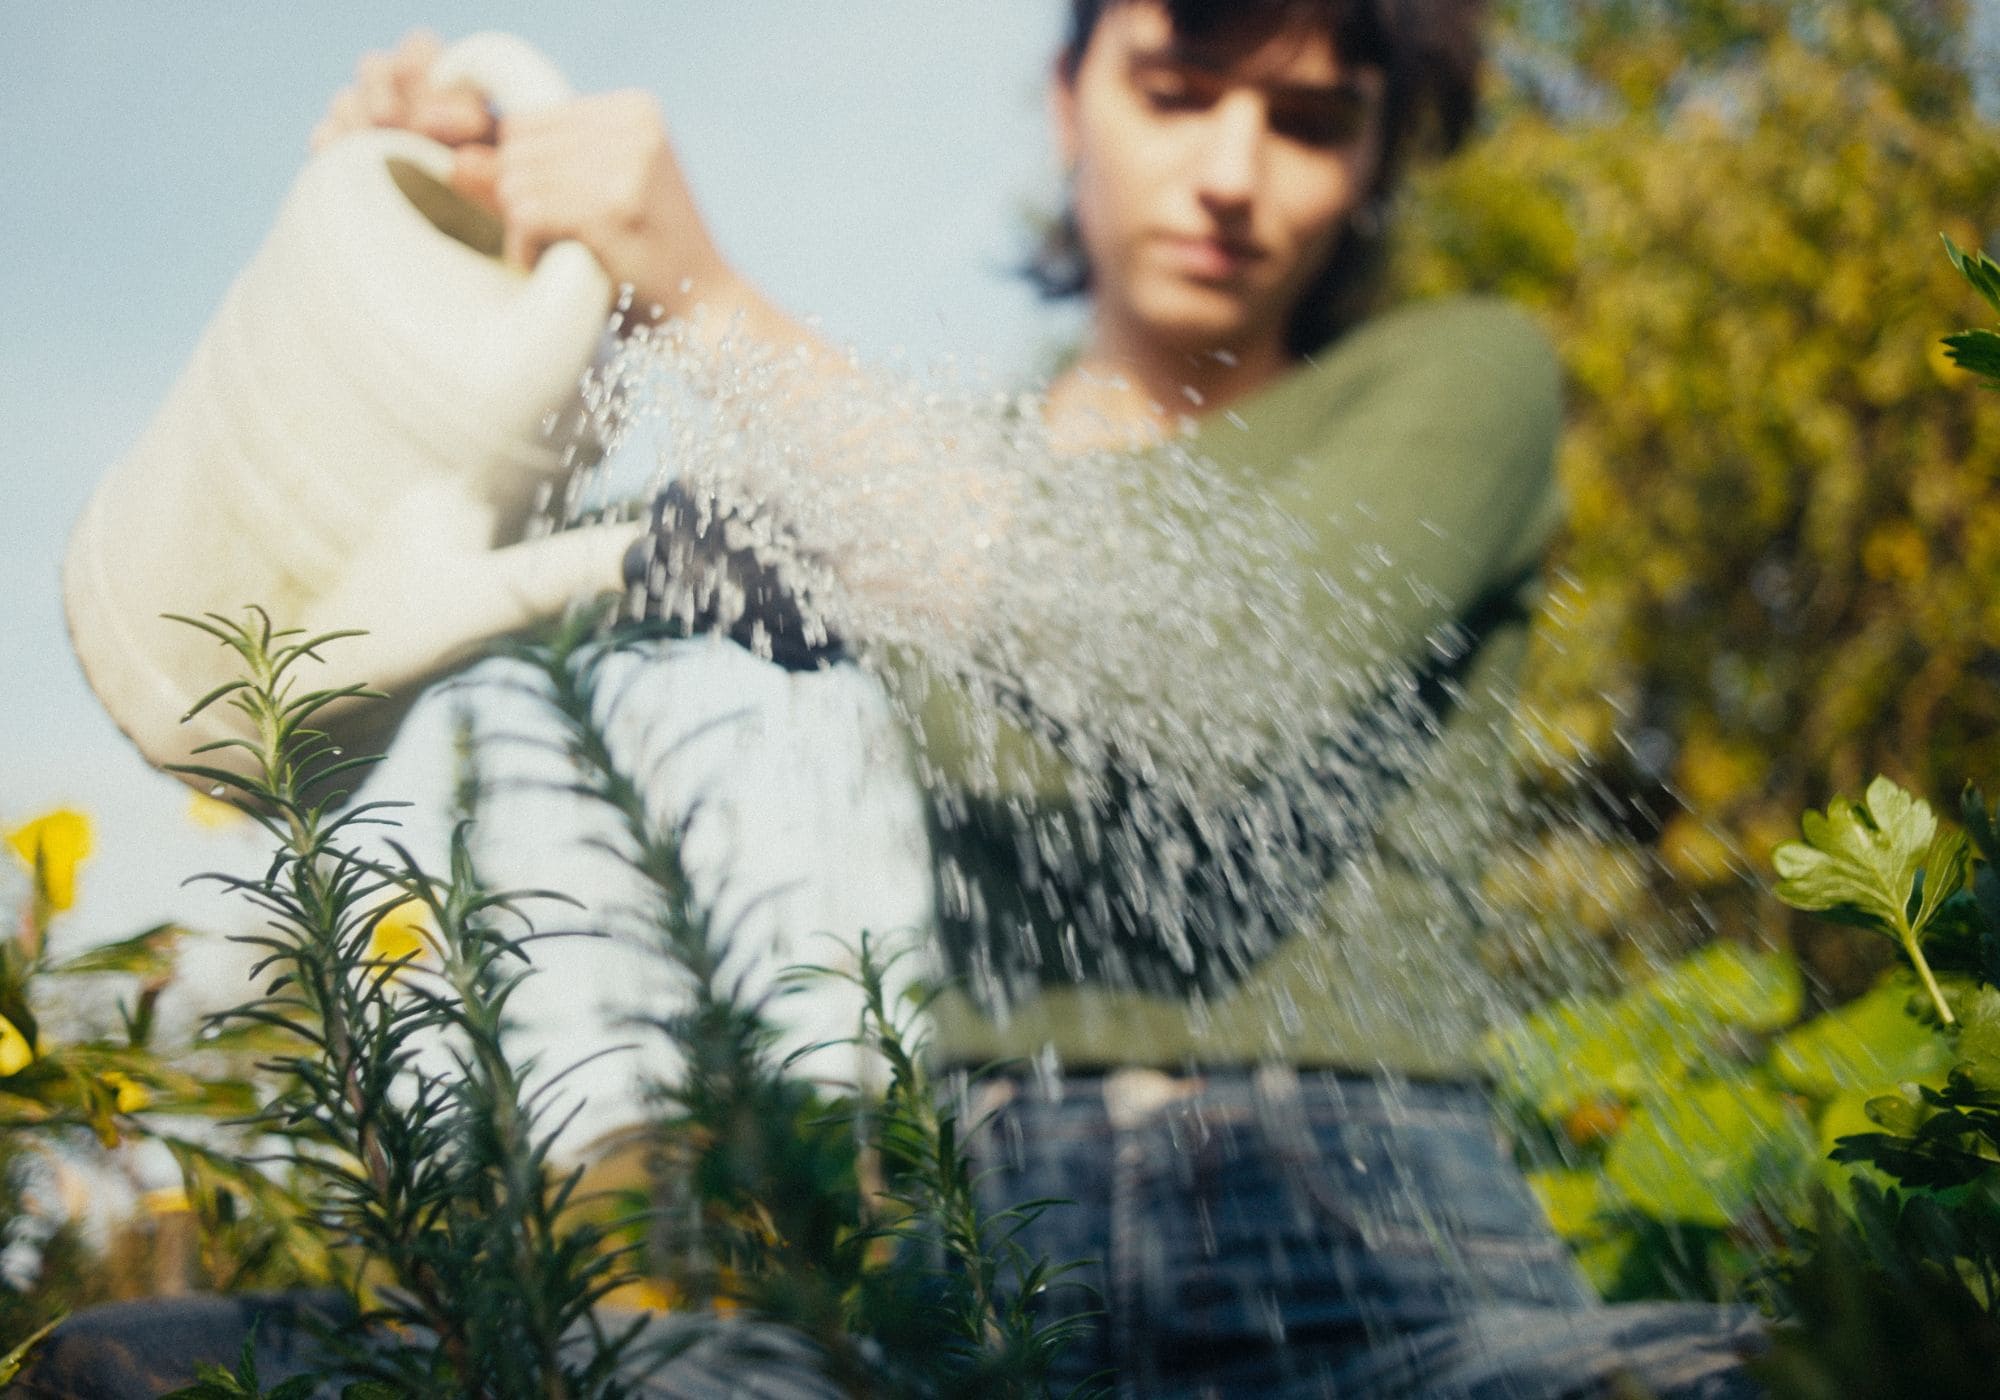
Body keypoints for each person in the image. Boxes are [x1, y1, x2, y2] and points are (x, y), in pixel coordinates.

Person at [38, 2, 1767, 1395]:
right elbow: (352, 672)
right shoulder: (937, 467)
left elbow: (1199, 677)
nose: (1236, 171)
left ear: (1379, 160)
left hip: (1376, 1239)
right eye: (1179, 90)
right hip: (989, 1250)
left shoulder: (1453, 379)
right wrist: (450, 275)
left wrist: (707, 301)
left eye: (1311, 121)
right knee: (215, 1372)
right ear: (1069, 95)